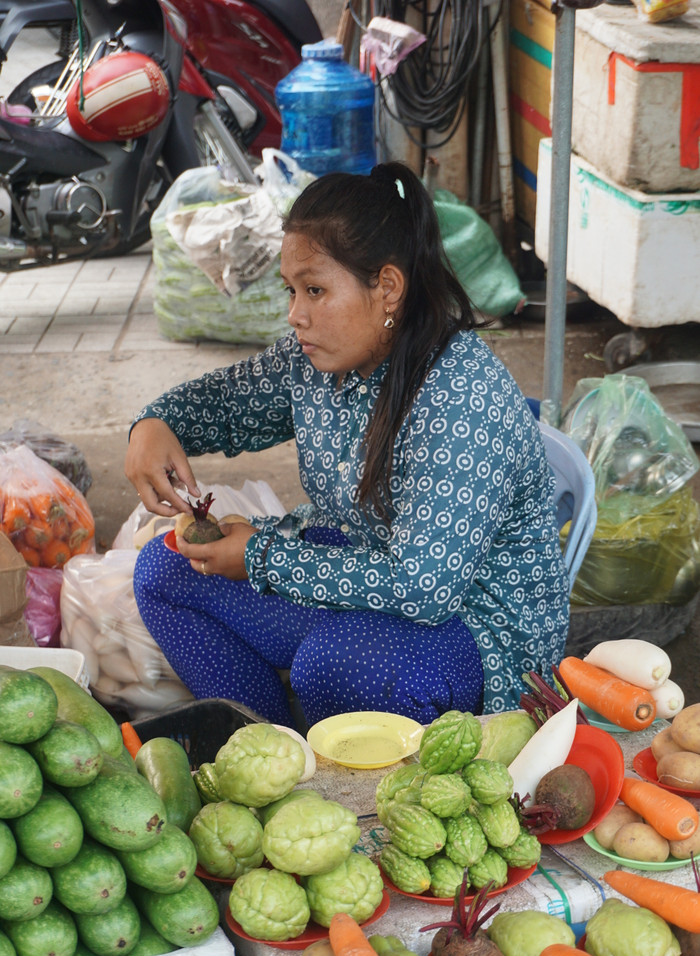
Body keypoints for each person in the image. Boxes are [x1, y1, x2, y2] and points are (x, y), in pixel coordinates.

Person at [125, 160, 569, 729]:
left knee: (333, 667)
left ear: (387, 287)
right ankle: (267, 748)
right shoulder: (314, 357)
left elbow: (423, 587)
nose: (296, 315)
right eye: (291, 291)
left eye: (315, 290)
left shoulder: (461, 394)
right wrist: (156, 424)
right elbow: (228, 403)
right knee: (167, 573)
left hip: (473, 627)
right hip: (358, 571)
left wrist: (262, 557)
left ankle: (347, 774)